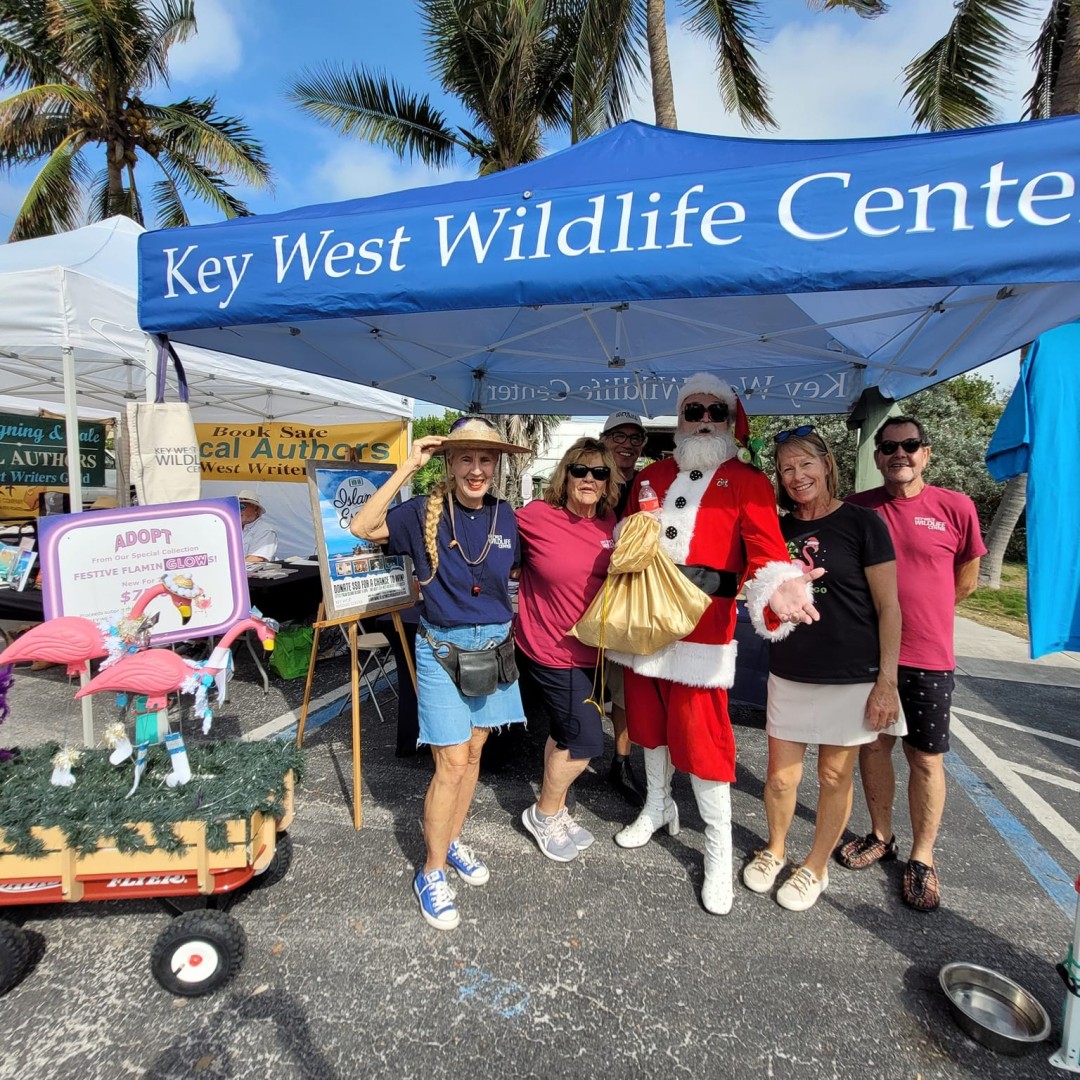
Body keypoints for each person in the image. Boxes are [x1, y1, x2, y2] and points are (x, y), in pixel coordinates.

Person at [612, 373, 823, 916]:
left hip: (704, 633)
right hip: (643, 624)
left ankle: (717, 850)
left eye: (714, 410)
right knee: (648, 724)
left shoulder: (748, 480)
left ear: (729, 420)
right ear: (679, 418)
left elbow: (765, 552)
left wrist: (781, 590)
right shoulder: (650, 476)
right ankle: (656, 807)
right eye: (692, 409)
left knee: (704, 743)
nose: (703, 418)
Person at [350, 416, 529, 931]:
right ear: (449, 463)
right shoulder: (419, 512)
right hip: (440, 649)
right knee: (450, 761)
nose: (477, 469)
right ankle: (430, 871)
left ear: (497, 465)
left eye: (486, 459)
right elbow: (362, 527)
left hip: (495, 648)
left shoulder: (506, 516)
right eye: (466, 458)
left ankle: (450, 842)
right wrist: (409, 463)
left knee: (473, 753)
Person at [741, 427, 902, 912]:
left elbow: (889, 606)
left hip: (853, 674)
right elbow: (757, 593)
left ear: (827, 464)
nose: (796, 476)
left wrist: (886, 681)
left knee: (835, 776)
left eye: (805, 465)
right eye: (787, 469)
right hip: (790, 670)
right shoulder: (777, 528)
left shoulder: (863, 523)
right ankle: (774, 849)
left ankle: (815, 866)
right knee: (780, 779)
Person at [840, 416, 986, 912]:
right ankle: (881, 835)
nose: (899, 453)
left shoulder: (955, 507)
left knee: (925, 758)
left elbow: (965, 578)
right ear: (877, 457)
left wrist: (925, 613)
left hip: (927, 655)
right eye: (889, 447)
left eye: (910, 445)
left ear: (926, 454)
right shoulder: (858, 508)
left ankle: (923, 857)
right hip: (868, 655)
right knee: (874, 747)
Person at [515, 438, 619, 862]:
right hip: (550, 647)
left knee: (563, 731)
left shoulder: (612, 524)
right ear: (566, 474)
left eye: (599, 473)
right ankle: (543, 814)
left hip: (595, 653)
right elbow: (487, 536)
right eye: (580, 470)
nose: (589, 479)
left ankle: (555, 809)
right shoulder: (537, 517)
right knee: (585, 742)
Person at [598, 410, 649, 806]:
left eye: (636, 438)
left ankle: (621, 760)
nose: (628, 444)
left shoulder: (650, 484)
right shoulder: (588, 474)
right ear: (604, 438)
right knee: (578, 681)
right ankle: (570, 751)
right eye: (620, 436)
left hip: (627, 598)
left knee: (623, 688)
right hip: (583, 594)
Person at [238, 489, 278, 564]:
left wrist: (230, 567)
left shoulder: (265, 530)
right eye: (235, 507)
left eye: (241, 507)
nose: (237, 510)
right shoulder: (231, 528)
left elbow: (257, 558)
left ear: (256, 509)